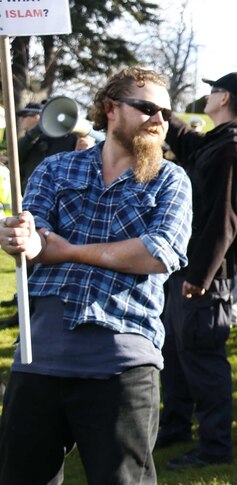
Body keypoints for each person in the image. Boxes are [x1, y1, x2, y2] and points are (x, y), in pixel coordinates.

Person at [0, 66, 192, 484]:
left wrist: (66, 251)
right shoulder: (55, 169)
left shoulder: (170, 181)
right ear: (110, 109)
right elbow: (38, 240)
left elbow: (159, 252)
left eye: (165, 112)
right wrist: (23, 241)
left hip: (122, 366)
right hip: (38, 359)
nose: (160, 120)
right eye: (146, 108)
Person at [159, 72, 237, 469]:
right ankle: (175, 429)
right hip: (187, 270)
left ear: (225, 98)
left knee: (203, 360)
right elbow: (189, 145)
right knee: (177, 355)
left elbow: (224, 221)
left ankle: (215, 447)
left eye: (213, 89)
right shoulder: (220, 140)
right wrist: (161, 112)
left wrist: (199, 278)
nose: (207, 94)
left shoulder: (235, 148)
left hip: (205, 277)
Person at [16, 101, 78, 194]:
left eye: (25, 116)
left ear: (37, 117)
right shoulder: (29, 140)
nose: (21, 120)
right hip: (29, 194)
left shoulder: (65, 137)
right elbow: (16, 157)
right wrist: (33, 133)